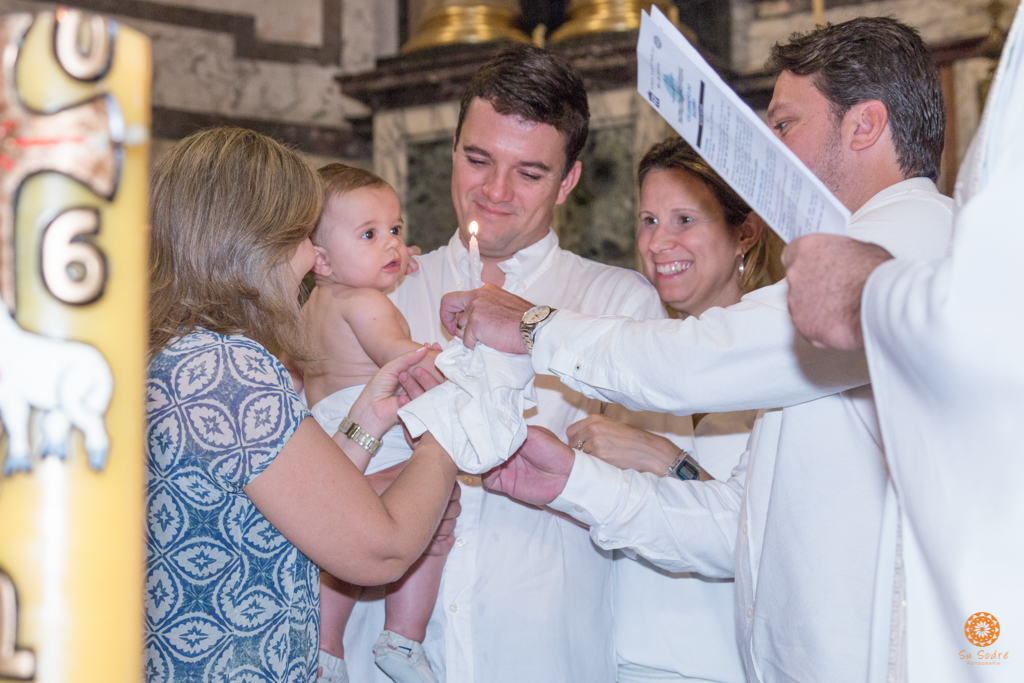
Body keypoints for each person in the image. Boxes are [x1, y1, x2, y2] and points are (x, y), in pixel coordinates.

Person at [444, 17, 954, 683]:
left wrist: (537, 326)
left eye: (784, 126)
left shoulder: (904, 247)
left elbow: (690, 364)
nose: (768, 155)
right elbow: (737, 524)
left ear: (863, 126)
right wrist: (574, 481)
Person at [342, 44, 687, 683]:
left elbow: (665, 512)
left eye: (529, 173)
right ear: (452, 151)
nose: (495, 192)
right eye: (478, 160)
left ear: (570, 181)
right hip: (380, 656)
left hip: (544, 654)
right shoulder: (382, 295)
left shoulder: (616, 304)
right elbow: (323, 474)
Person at [143, 127, 460, 682]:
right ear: (248, 242)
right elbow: (380, 552)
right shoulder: (226, 369)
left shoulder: (181, 353)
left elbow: (277, 496)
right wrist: (448, 430)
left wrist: (367, 417)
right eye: (299, 236)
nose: (314, 256)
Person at [783, 7, 1024, 681]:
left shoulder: (904, 233)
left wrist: (867, 292)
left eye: (783, 126)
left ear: (864, 124)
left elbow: (994, 326)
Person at [565, 136, 783, 683]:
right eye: (648, 220)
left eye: (684, 219)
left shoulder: (787, 364)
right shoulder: (631, 360)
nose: (659, 243)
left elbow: (768, 536)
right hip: (621, 659)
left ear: (745, 232)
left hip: (733, 666)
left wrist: (664, 458)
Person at [301, 164, 445, 683]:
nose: (392, 244)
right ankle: (403, 639)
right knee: (434, 521)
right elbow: (398, 355)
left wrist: (392, 264)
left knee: (335, 546)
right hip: (377, 434)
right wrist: (455, 361)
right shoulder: (365, 303)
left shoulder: (315, 306)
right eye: (370, 234)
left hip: (329, 435)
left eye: (396, 230)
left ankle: (325, 648)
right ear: (321, 259)